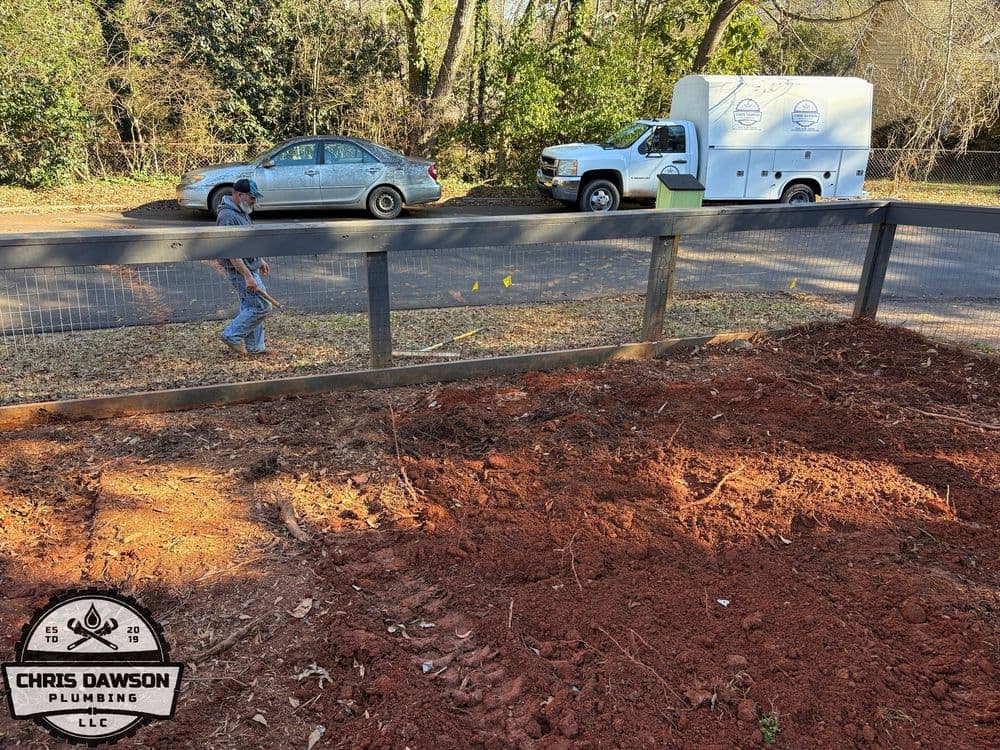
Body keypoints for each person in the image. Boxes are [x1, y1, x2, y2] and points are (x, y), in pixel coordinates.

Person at [217, 178, 272, 355]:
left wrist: (259, 260)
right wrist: (247, 275)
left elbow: (248, 241)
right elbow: (230, 251)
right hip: (240, 271)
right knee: (261, 307)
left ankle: (255, 347)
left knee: (250, 307)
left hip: (250, 267)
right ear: (240, 195)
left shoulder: (241, 211)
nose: (254, 201)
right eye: (252, 197)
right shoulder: (227, 216)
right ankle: (231, 335)